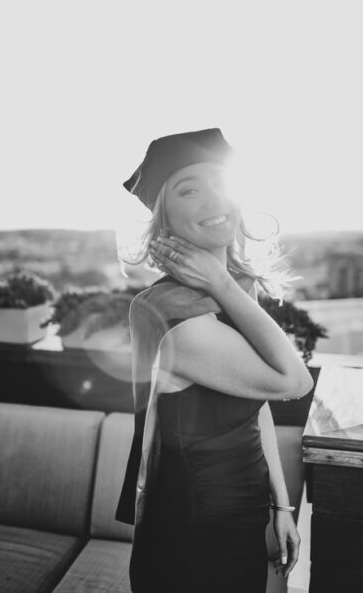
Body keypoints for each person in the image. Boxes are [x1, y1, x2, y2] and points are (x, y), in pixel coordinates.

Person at [115, 128, 314, 593]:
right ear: (165, 219)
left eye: (221, 182)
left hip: (242, 512)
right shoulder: (173, 315)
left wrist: (281, 505)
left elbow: (257, 402)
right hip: (192, 529)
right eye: (189, 189)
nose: (214, 199)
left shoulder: (236, 291)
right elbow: (293, 381)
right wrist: (222, 283)